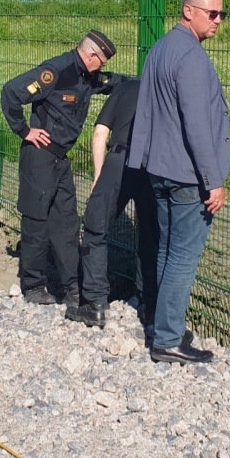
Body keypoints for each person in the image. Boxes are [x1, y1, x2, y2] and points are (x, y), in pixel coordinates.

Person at [126, 0, 230, 364]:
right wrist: (213, 179)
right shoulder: (191, 57)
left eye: (221, 14)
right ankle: (168, 339)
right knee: (182, 257)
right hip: (188, 176)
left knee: (167, 250)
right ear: (189, 11)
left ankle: (159, 321)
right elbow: (197, 125)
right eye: (211, 13)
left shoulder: (161, 48)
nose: (218, 21)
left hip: (160, 169)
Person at [1, 30, 123, 312]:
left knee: (67, 221)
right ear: (91, 54)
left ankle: (72, 285)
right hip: (39, 156)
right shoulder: (55, 72)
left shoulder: (86, 77)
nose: (102, 67)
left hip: (60, 159)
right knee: (37, 220)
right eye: (101, 61)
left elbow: (113, 82)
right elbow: (11, 92)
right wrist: (24, 130)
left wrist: (143, 81)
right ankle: (32, 284)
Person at [72, 74, 156, 331]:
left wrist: (99, 174)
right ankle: (148, 302)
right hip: (155, 164)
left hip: (121, 159)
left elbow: (100, 134)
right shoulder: (164, 90)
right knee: (151, 235)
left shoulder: (124, 88)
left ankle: (95, 304)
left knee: (95, 228)